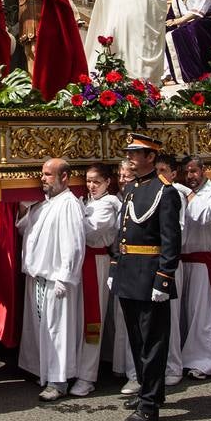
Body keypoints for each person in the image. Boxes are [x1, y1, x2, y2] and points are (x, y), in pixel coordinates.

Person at [110, 135, 181, 421]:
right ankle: (151, 392)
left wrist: (163, 278)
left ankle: (149, 405)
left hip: (150, 273)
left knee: (153, 342)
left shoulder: (166, 193)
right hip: (129, 271)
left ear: (151, 156)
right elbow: (121, 231)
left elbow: (171, 240)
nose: (130, 157)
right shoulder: (131, 189)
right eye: (129, 153)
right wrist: (115, 267)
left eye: (136, 153)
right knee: (137, 340)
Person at [17, 157, 86, 402]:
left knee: (58, 331)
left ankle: (59, 381)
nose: (42, 178)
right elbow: (25, 230)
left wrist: (65, 277)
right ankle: (44, 372)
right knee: (42, 330)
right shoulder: (44, 204)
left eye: (48, 174)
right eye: (42, 174)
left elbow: (74, 244)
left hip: (57, 279)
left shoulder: (69, 204)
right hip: (37, 277)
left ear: (64, 177)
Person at [70, 162, 122, 397]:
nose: (91, 186)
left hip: (97, 261)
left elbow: (88, 230)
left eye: (96, 182)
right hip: (80, 262)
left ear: (108, 183)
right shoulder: (85, 202)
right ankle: (75, 366)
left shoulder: (109, 205)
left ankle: (87, 376)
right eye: (88, 181)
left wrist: (70, 216)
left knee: (94, 316)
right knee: (78, 317)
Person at [176, 154, 211, 379]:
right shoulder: (181, 193)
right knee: (186, 314)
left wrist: (188, 194)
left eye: (194, 171)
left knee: (204, 313)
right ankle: (184, 358)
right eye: (186, 173)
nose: (190, 177)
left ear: (204, 170)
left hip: (205, 262)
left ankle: (206, 361)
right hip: (184, 261)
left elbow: (205, 215)